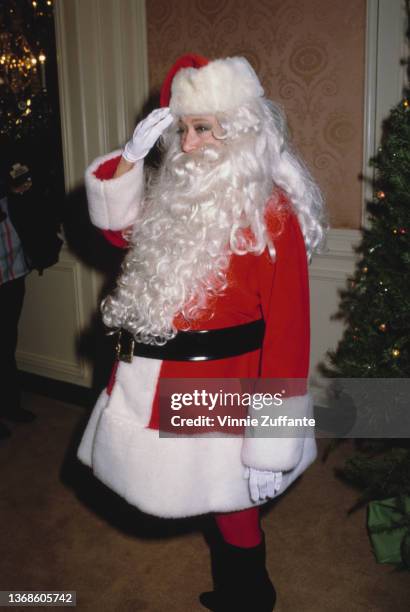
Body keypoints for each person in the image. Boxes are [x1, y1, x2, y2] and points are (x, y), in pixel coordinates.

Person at [78, 54, 327, 610]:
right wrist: (131, 160)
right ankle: (237, 590)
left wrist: (272, 445)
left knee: (234, 506)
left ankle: (251, 597)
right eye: (183, 130)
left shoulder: (273, 214)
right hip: (149, 377)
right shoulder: (174, 198)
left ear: (240, 133)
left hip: (225, 385)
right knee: (211, 502)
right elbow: (116, 230)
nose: (188, 146)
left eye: (203, 129)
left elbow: (288, 334)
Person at [0, 136, 63, 439]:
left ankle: (10, 404)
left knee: (6, 341)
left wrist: (23, 190)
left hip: (12, 271)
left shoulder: (9, 154)